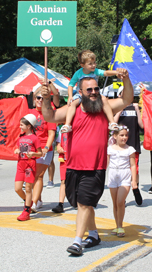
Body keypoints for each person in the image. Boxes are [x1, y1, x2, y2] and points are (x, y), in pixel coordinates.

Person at [40, 67, 133, 256]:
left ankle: (77, 241)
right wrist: (47, 98)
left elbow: (127, 100)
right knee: (81, 203)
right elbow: (49, 116)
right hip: (73, 166)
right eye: (89, 90)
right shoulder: (71, 110)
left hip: (94, 167)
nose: (93, 92)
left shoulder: (104, 107)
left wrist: (126, 80)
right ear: (80, 92)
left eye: (96, 89)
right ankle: (94, 234)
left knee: (83, 203)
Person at [62, 50, 119, 134]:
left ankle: (112, 122)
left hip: (94, 93)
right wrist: (70, 96)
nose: (93, 65)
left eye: (94, 62)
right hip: (81, 94)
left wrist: (117, 72)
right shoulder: (78, 73)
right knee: (72, 103)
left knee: (104, 99)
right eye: (90, 64)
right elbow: (71, 84)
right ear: (82, 65)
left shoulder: (95, 71)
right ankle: (67, 124)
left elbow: (106, 73)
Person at [28, 87, 56, 212]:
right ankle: (38, 200)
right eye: (38, 98)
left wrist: (45, 147)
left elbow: (51, 134)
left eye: (43, 98)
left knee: (38, 176)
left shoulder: (49, 112)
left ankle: (33, 203)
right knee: (32, 176)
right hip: (30, 149)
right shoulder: (29, 113)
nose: (40, 100)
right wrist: (41, 86)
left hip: (44, 148)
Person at [114, 85, 143, 205]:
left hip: (133, 144)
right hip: (120, 145)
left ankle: (135, 187)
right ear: (119, 95)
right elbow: (113, 123)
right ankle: (123, 195)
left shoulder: (136, 107)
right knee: (121, 170)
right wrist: (120, 109)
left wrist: (137, 110)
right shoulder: (116, 108)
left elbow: (142, 125)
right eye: (123, 94)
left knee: (134, 169)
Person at [107, 126, 137, 237]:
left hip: (125, 176)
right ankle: (117, 225)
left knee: (120, 201)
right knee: (115, 203)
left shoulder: (130, 149)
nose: (124, 137)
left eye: (126, 135)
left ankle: (120, 226)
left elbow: (133, 165)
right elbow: (106, 164)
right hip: (113, 176)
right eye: (121, 135)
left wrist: (134, 181)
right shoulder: (110, 148)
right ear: (115, 136)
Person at [14, 114, 42, 221]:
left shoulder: (35, 138)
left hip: (30, 165)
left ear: (28, 126)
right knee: (17, 188)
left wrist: (33, 154)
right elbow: (16, 148)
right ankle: (28, 202)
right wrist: (16, 150)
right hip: (20, 165)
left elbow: (40, 153)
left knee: (28, 188)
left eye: (22, 125)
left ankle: (26, 211)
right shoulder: (21, 137)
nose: (20, 127)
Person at [52, 125, 68, 213]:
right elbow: (58, 141)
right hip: (65, 158)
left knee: (76, 180)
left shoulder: (79, 126)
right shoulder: (62, 128)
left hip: (76, 158)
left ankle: (78, 201)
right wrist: (58, 147)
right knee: (63, 181)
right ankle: (60, 204)